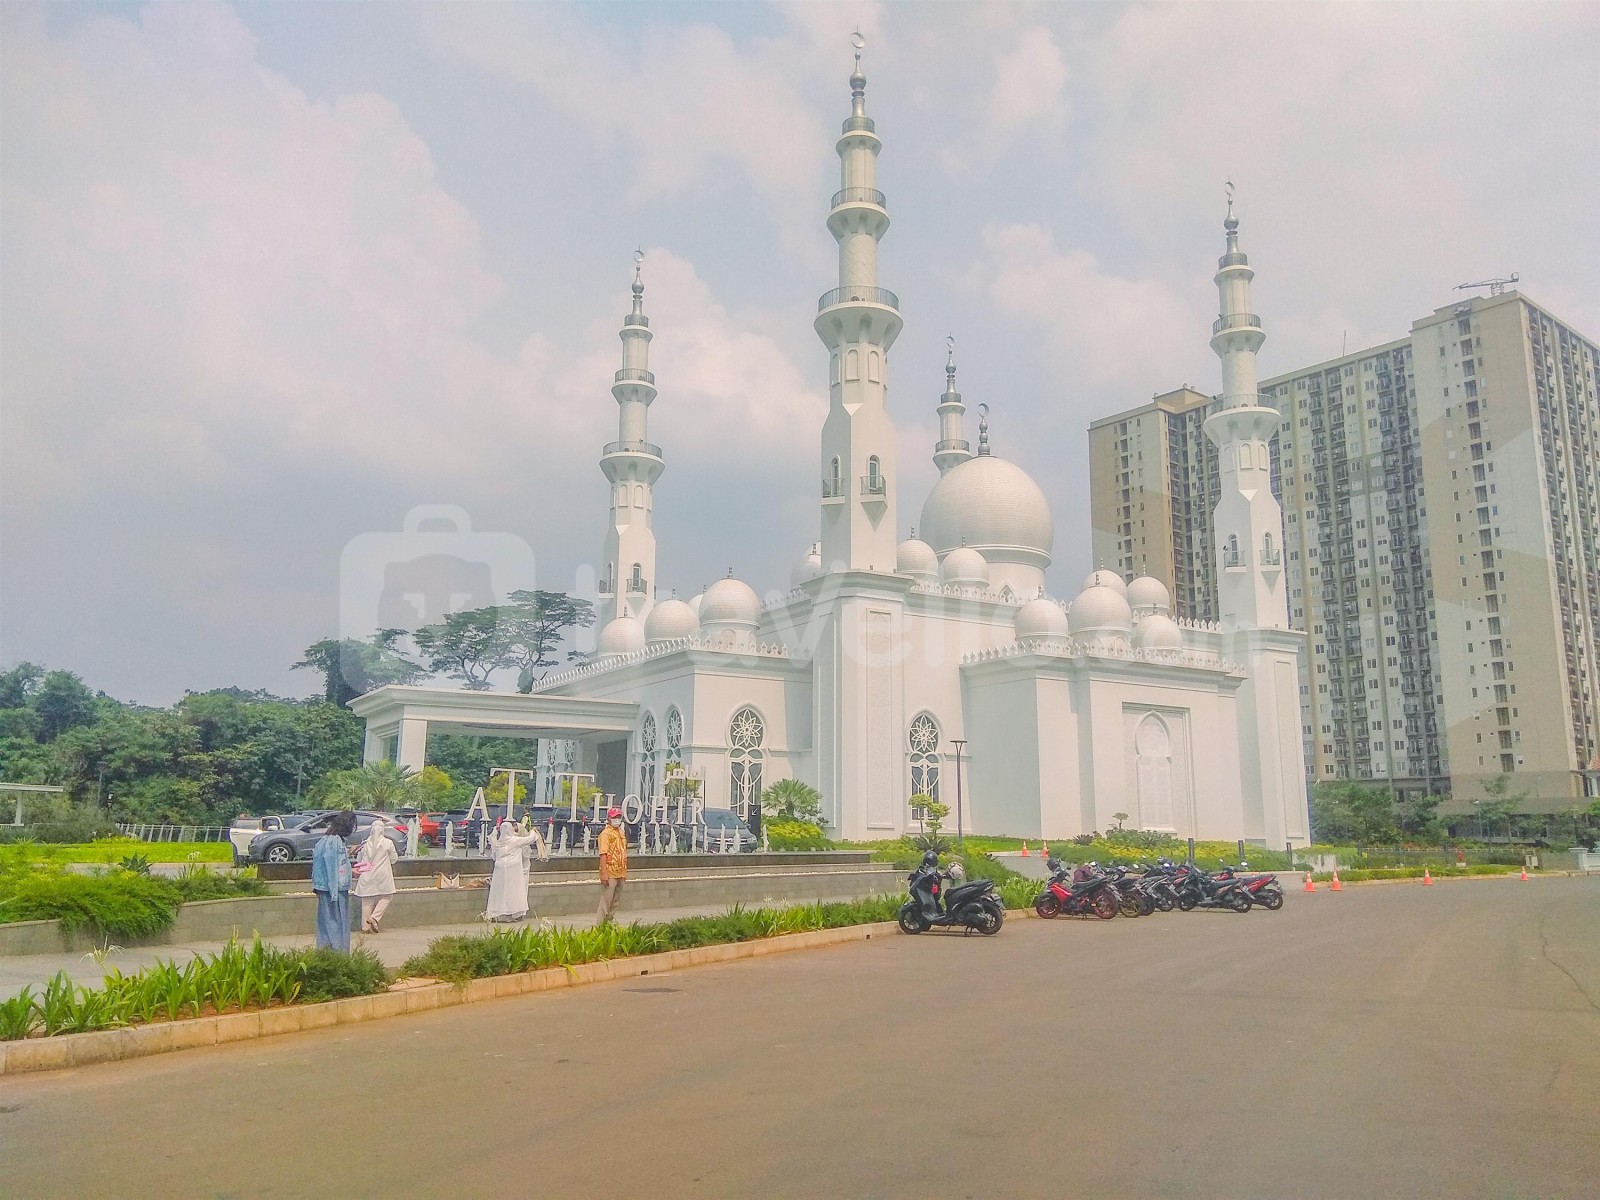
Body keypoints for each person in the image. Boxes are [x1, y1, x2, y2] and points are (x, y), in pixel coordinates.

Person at [486, 817, 548, 923]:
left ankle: (498, 913)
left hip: (499, 869)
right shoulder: (515, 840)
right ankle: (510, 913)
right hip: (513, 869)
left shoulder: (498, 843)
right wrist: (533, 831)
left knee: (499, 891)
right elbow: (529, 839)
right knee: (512, 891)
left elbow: (494, 856)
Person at [312, 811, 356, 951]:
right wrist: (334, 892)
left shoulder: (325, 839)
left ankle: (326, 952)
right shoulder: (334, 841)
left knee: (326, 923)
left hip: (326, 887)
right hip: (334, 889)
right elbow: (331, 865)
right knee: (337, 923)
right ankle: (338, 954)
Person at [352, 816, 399, 933]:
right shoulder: (388, 843)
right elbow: (394, 859)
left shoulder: (364, 844)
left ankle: (365, 928)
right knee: (387, 896)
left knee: (367, 901)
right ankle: (374, 918)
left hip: (366, 875)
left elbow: (359, 860)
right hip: (383, 876)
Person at [595, 807, 628, 923]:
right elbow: (603, 854)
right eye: (614, 817)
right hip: (610, 873)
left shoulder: (621, 833)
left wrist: (625, 872)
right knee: (606, 902)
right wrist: (604, 873)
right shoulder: (605, 834)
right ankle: (600, 927)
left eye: (619, 817)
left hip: (620, 872)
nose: (617, 819)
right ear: (609, 818)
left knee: (615, 903)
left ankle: (608, 924)